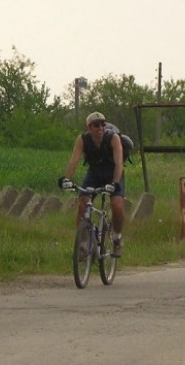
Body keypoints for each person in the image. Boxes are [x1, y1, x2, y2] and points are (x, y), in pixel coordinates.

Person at [58, 111, 125, 258]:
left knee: (117, 205)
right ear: (89, 127)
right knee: (82, 204)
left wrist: (114, 183)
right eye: (96, 125)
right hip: (94, 173)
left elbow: (119, 163)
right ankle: (83, 244)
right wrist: (66, 179)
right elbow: (73, 161)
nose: (100, 128)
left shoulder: (113, 138)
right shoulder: (83, 140)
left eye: (103, 124)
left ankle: (117, 238)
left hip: (113, 173)